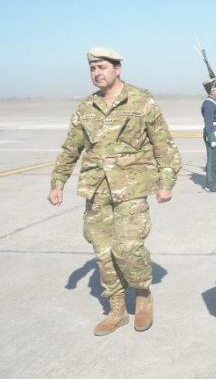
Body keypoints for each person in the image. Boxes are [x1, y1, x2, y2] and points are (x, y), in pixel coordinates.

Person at [47, 47, 181, 335]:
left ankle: (142, 294)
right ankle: (117, 309)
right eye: (93, 68)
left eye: (102, 67)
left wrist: (166, 183)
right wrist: (57, 182)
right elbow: (71, 148)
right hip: (96, 190)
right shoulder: (86, 107)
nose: (97, 73)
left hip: (131, 187)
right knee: (103, 252)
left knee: (128, 248)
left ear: (118, 68)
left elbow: (164, 145)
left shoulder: (141, 100)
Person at [201, 77, 216, 192]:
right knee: (212, 160)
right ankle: (210, 184)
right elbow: (208, 123)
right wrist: (211, 138)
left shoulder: (215, 102)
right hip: (212, 134)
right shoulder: (209, 104)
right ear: (211, 91)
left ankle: (214, 182)